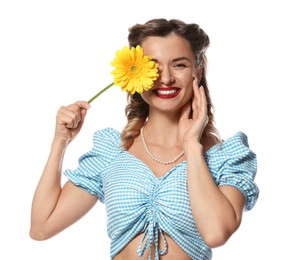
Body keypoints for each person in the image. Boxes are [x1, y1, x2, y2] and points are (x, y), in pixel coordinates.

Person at [29, 18, 259, 260]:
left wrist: (192, 145)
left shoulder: (227, 157)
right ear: (135, 73)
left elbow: (216, 233)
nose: (166, 78)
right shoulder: (113, 152)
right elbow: (41, 227)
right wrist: (60, 142)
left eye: (179, 65)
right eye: (153, 66)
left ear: (197, 71)